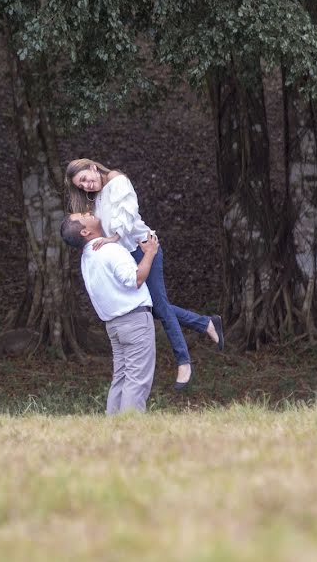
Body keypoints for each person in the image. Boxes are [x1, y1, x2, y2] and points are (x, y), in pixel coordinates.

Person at [65, 158, 223, 390]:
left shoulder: (117, 181)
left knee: (160, 305)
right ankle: (206, 323)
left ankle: (184, 362)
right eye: (81, 186)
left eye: (85, 179)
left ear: (92, 167)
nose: (86, 185)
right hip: (129, 255)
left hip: (144, 248)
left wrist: (113, 238)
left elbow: (129, 214)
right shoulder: (97, 199)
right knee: (158, 307)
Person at [60, 212, 158, 414]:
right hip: (135, 320)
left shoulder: (87, 258)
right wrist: (150, 252)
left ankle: (113, 430)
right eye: (83, 215)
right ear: (85, 231)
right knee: (136, 380)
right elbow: (135, 279)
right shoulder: (110, 250)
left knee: (121, 377)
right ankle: (130, 430)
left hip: (114, 325)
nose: (89, 212)